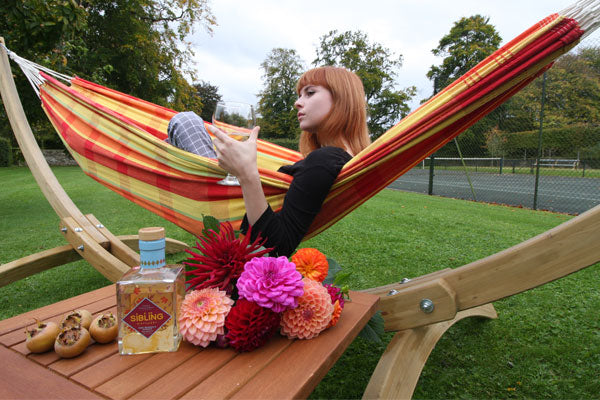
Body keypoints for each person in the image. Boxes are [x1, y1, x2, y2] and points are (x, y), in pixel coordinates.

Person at [169, 66, 371, 256]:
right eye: (299, 95)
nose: (298, 102)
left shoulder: (325, 160)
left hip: (226, 205)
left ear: (341, 100)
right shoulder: (336, 158)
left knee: (185, 121)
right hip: (231, 204)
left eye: (310, 93)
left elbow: (278, 246)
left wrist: (247, 174)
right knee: (172, 137)